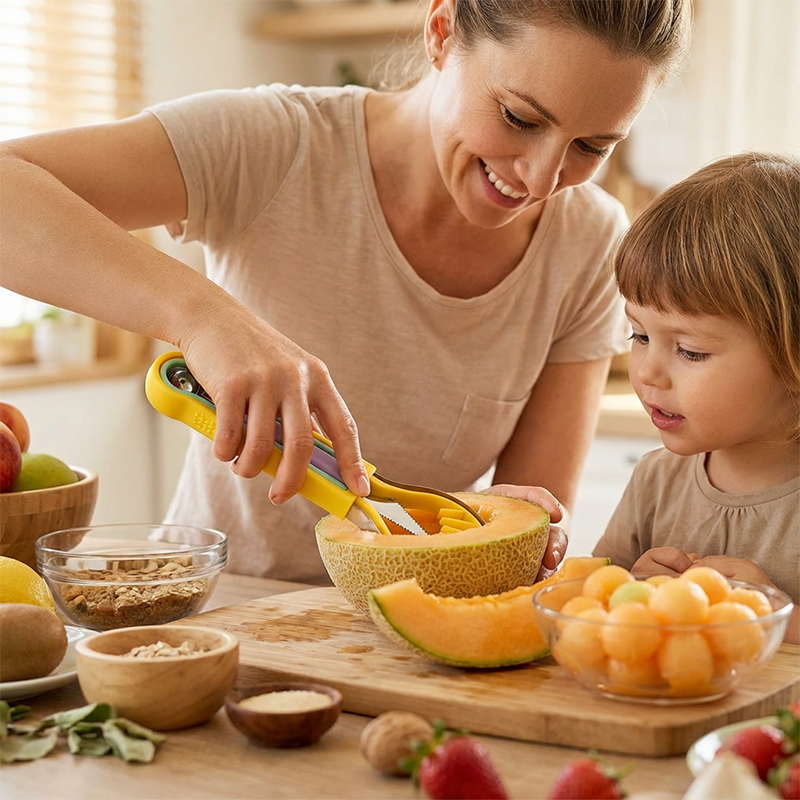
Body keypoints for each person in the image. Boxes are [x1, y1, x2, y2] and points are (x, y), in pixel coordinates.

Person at [0, 0, 691, 582]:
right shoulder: (273, 143)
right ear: (442, 34)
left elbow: (527, 522)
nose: (541, 179)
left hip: (402, 644)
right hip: (212, 618)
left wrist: (526, 535)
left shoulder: (589, 240)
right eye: (519, 118)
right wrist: (202, 316)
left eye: (591, 147)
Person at [592, 152, 799, 643]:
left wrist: (780, 622)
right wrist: (630, 594)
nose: (647, 372)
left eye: (690, 350)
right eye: (639, 336)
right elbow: (586, 608)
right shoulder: (654, 482)